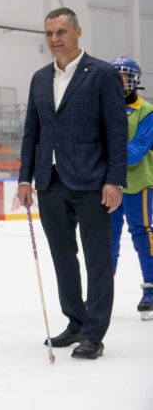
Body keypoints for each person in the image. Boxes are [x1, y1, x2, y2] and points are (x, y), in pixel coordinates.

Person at [17, 7, 127, 360]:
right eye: (49, 33)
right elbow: (32, 132)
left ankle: (95, 333)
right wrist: (24, 177)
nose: (54, 39)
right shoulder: (38, 78)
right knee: (63, 258)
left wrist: (115, 179)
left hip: (93, 181)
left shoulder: (103, 75)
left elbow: (116, 131)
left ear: (78, 32)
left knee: (98, 262)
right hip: (50, 182)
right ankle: (76, 321)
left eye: (61, 31)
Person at [108, 57, 153, 321]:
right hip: (109, 185)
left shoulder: (146, 110)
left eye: (123, 77)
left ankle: (150, 288)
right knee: (107, 238)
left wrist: (107, 152)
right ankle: (103, 291)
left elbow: (137, 151)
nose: (119, 82)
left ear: (134, 80)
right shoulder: (102, 107)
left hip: (138, 184)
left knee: (142, 234)